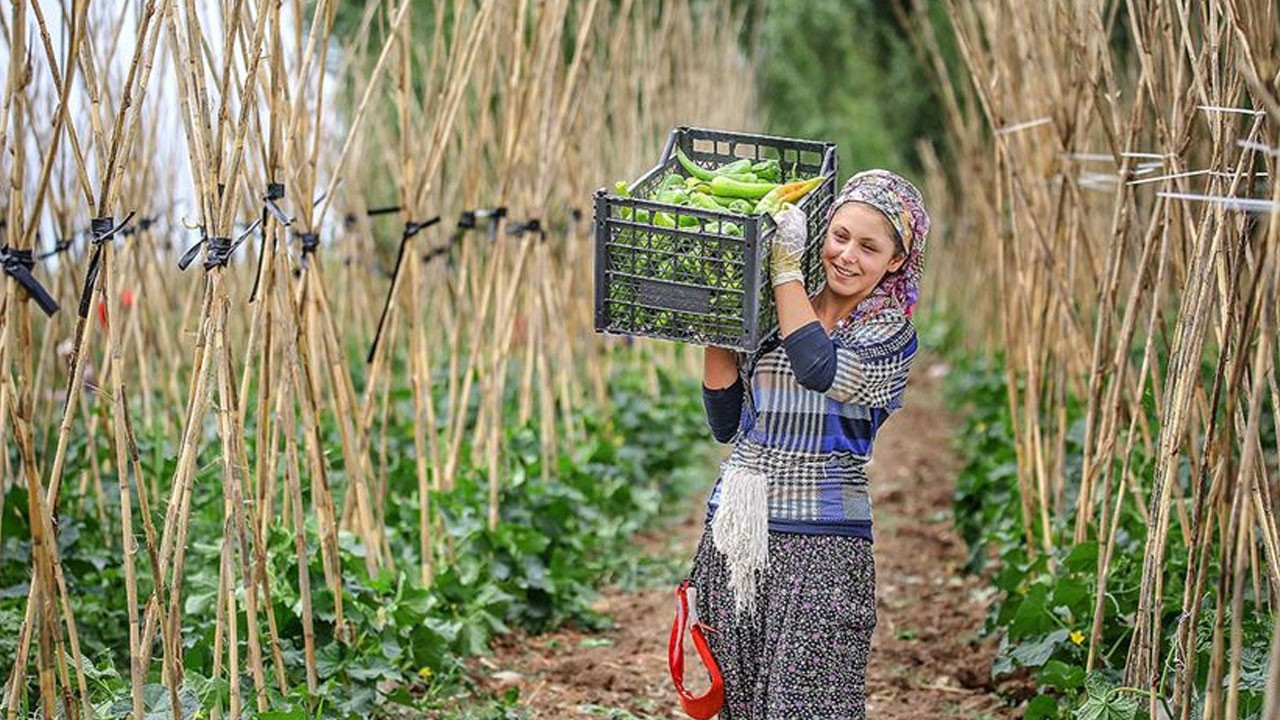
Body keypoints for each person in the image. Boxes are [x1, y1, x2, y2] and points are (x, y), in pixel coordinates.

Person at [690, 169, 930, 719]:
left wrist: (782, 270)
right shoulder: (775, 309)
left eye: (869, 247)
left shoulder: (888, 333)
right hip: (738, 534)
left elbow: (818, 366)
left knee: (808, 705)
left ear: (895, 261)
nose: (847, 255)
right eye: (840, 236)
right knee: (741, 705)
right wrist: (718, 323)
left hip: (821, 543)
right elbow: (727, 424)